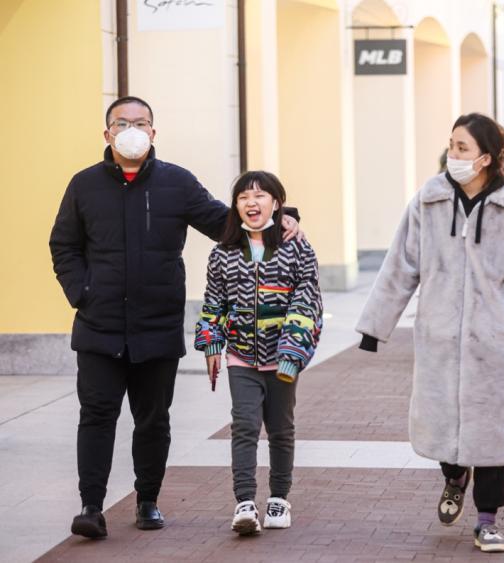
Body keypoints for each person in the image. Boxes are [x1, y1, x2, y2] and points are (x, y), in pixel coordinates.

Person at [49, 96, 302, 539]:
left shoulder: (176, 182)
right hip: (99, 327)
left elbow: (226, 224)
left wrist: (281, 219)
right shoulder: (84, 185)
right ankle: (91, 506)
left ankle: (147, 500)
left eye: (141, 123)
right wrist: (81, 292)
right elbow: (63, 245)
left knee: (153, 420)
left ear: (153, 132)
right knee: (97, 416)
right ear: (107, 133)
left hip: (157, 327)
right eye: (122, 123)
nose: (132, 130)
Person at [356, 113, 504, 553]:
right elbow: (400, 265)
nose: (453, 153)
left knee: (493, 437)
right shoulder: (428, 201)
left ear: (485, 157)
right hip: (440, 340)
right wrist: (376, 325)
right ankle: (453, 477)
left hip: (497, 344)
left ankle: (487, 521)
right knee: (442, 428)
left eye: (462, 147)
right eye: (451, 144)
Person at [194, 171, 322, 535]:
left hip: (282, 359)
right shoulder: (222, 253)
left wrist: (292, 353)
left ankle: (279, 498)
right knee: (245, 426)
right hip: (241, 357)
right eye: (243, 197)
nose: (252, 202)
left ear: (276, 203)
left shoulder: (297, 248)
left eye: (260, 195)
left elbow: (308, 300)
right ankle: (245, 502)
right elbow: (214, 301)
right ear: (236, 206)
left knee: (281, 429)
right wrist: (211, 343)